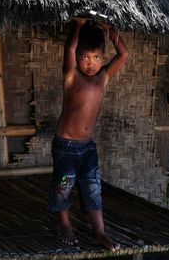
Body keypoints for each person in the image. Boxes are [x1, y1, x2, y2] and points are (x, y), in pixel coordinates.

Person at [49, 18, 128, 252]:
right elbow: (69, 48)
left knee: (92, 187)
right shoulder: (71, 77)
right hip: (66, 146)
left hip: (88, 147)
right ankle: (65, 226)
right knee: (64, 185)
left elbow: (123, 54)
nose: (91, 63)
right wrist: (78, 26)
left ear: (103, 57)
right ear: (76, 60)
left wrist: (110, 30)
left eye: (96, 58)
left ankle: (99, 232)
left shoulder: (102, 79)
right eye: (84, 58)